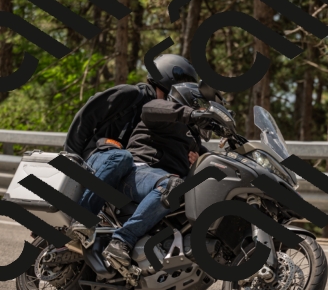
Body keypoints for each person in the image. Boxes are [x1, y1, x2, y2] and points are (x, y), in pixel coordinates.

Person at [102, 82, 227, 267]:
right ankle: (121, 240)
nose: (205, 110)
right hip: (136, 173)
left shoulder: (193, 142)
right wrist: (192, 114)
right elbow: (150, 109)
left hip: (160, 182)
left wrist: (199, 161)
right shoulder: (163, 113)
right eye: (202, 106)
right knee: (173, 186)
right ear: (189, 101)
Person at [62, 54, 198, 216]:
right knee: (121, 158)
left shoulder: (168, 114)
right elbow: (85, 118)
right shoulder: (130, 95)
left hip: (128, 167)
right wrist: (71, 160)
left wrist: (196, 158)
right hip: (100, 155)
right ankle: (80, 216)